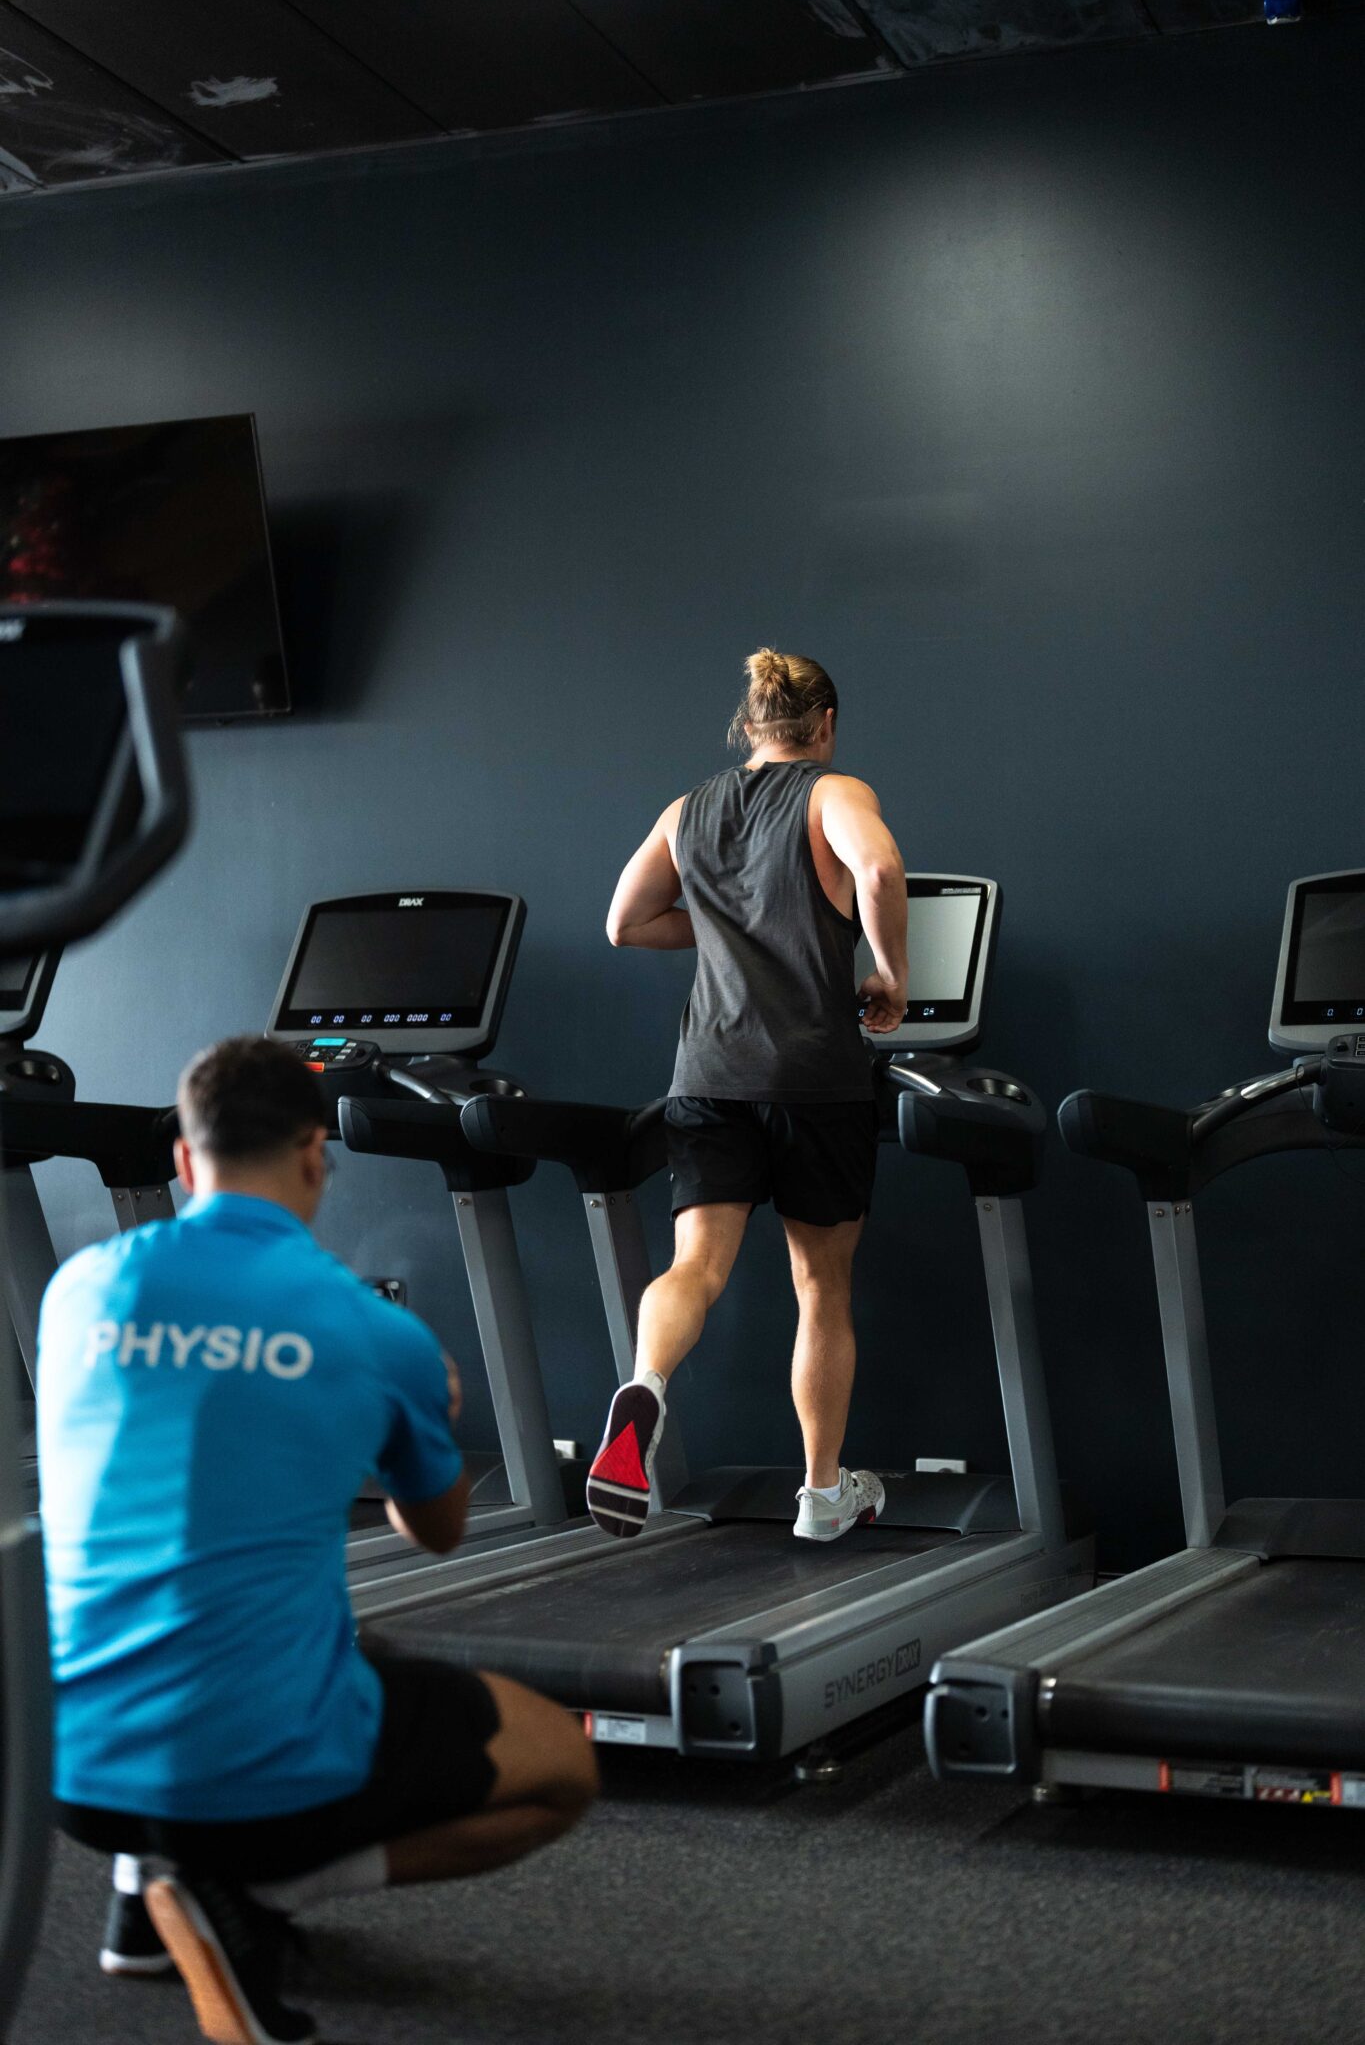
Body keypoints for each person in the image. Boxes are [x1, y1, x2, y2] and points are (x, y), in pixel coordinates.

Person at [37, 1036, 596, 2045]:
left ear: (182, 1161)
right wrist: (409, 1427)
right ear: (313, 1155)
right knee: (561, 1763)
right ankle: (255, 1884)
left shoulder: (78, 1289)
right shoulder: (374, 1333)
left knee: (252, 1611)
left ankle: (144, 1895)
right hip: (245, 1761)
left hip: (66, 1757)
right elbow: (435, 1530)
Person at [587, 648, 908, 1543]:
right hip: (815, 1081)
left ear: (748, 727)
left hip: (707, 1079)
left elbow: (623, 923)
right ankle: (818, 1495)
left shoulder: (687, 809)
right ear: (825, 727)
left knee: (695, 1268)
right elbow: (876, 872)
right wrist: (890, 973)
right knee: (821, 1289)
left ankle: (644, 1386)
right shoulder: (833, 793)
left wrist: (727, 928)